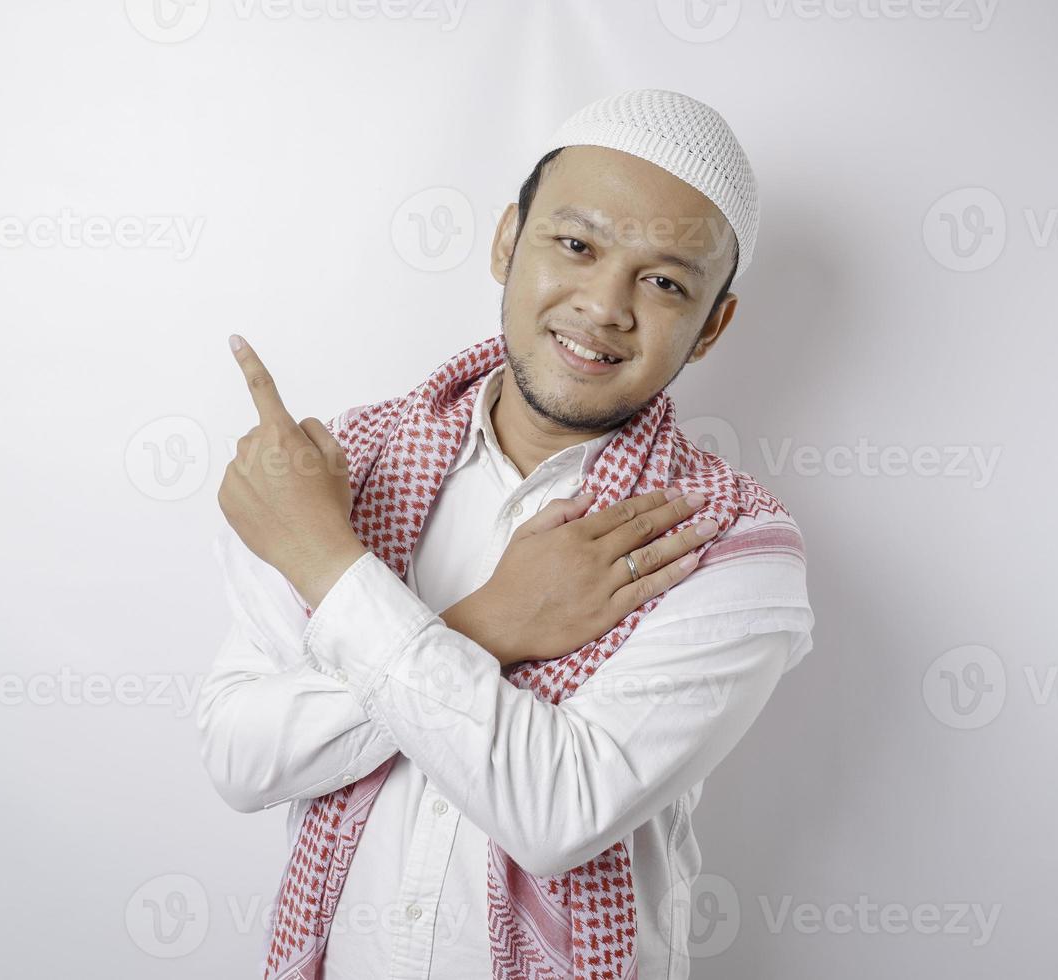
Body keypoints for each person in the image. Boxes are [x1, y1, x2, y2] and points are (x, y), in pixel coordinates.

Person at [198, 88, 815, 979]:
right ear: (505, 241)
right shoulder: (337, 471)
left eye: (666, 281)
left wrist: (327, 562)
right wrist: (491, 622)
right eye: (576, 244)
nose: (605, 305)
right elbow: (243, 758)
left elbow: (559, 812)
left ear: (713, 325)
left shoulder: (728, 546)